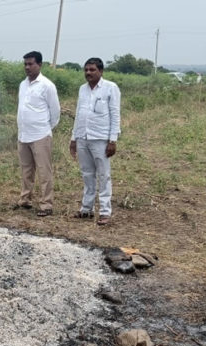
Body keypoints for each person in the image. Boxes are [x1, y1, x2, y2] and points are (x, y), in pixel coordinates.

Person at [69, 57, 121, 225]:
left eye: (92, 70)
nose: (88, 73)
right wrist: (73, 138)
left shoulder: (110, 88)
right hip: (83, 137)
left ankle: (105, 211)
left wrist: (112, 140)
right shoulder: (82, 89)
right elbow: (78, 115)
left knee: (104, 175)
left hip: (100, 139)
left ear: (101, 71)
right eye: (86, 70)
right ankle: (86, 209)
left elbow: (115, 115)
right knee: (87, 174)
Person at [16, 51, 61, 217]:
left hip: (40, 135)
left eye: (31, 64)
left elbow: (55, 112)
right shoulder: (23, 84)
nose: (27, 67)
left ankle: (46, 204)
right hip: (23, 135)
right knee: (26, 170)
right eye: (25, 64)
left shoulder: (47, 85)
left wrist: (45, 129)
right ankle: (25, 200)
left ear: (39, 65)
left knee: (44, 171)